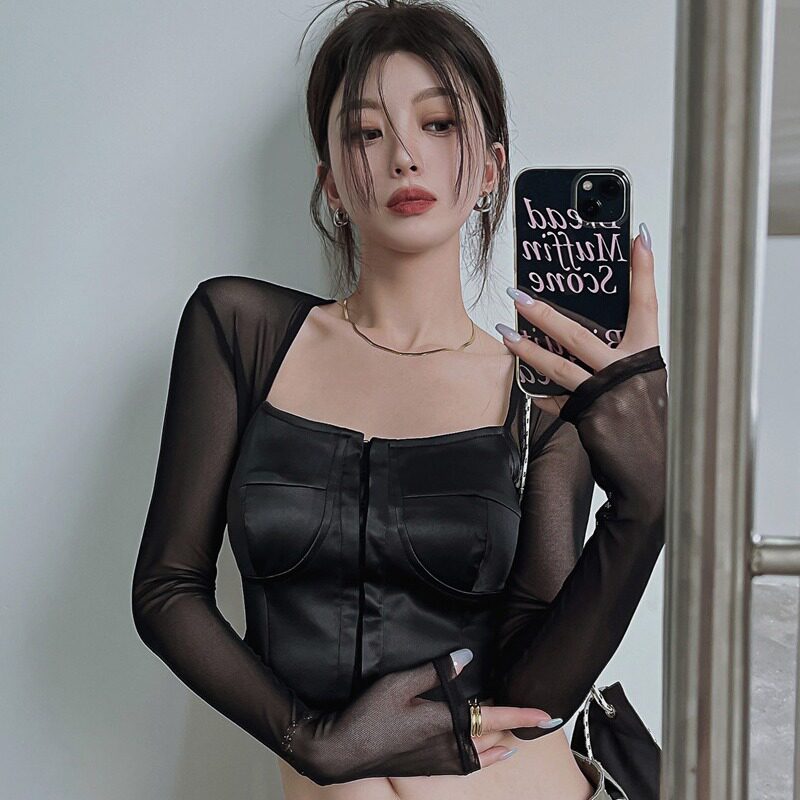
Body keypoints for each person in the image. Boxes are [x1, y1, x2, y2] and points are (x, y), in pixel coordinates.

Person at [131, 2, 668, 799]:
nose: (405, 156)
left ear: (490, 170)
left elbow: (536, 695)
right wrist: (312, 741)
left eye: (439, 123)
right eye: (365, 132)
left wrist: (647, 506)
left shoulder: (539, 393)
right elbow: (167, 589)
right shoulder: (240, 331)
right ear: (330, 181)